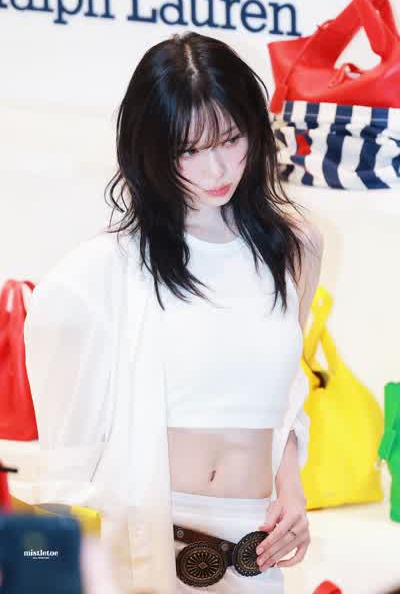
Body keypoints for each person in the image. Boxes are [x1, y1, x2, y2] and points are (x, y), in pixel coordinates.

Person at [23, 32, 323, 593]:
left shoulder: (296, 246)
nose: (217, 168)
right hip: (150, 542)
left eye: (231, 138)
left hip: (257, 545)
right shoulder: (108, 266)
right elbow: (67, 450)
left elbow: (286, 393)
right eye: (189, 150)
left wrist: (292, 492)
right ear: (153, 150)